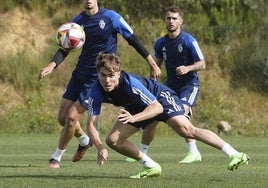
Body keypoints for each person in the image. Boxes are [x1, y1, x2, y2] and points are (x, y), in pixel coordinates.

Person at [70, 53, 249, 178]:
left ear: (118, 73)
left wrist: (134, 118)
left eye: (111, 75)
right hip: (137, 107)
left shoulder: (130, 83)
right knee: (113, 140)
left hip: (159, 98)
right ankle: (151, 166)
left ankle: (234, 154)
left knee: (186, 130)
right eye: (103, 75)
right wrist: (100, 147)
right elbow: (91, 124)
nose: (107, 80)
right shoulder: (95, 90)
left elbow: (156, 108)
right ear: (98, 74)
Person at [38, 0, 161, 169]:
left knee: (72, 117)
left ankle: (56, 157)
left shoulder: (111, 17)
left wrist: (152, 63)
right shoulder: (77, 21)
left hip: (97, 77)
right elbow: (65, 47)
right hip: (79, 73)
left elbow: (133, 39)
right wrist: (51, 65)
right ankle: (84, 141)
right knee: (63, 118)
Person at [124, 6, 205, 164]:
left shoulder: (189, 41)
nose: (171, 21)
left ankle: (193, 152)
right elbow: (157, 65)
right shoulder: (161, 43)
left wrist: (188, 68)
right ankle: (142, 153)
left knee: (181, 112)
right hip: (169, 86)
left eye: (174, 18)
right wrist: (151, 83)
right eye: (168, 18)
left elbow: (202, 64)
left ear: (181, 21)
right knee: (152, 117)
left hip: (189, 86)